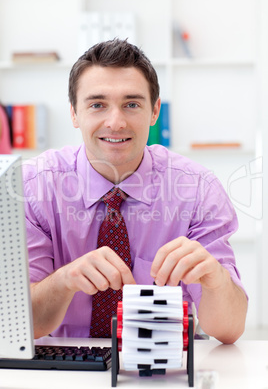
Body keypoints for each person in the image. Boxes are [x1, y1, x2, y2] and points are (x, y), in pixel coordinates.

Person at [23, 39, 248, 344]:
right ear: (74, 113)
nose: (115, 122)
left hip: (167, 366)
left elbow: (230, 329)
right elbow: (23, 325)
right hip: (66, 366)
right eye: (97, 104)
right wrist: (64, 280)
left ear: (154, 111)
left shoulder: (196, 189)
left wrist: (216, 280)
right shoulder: (33, 188)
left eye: (132, 104)